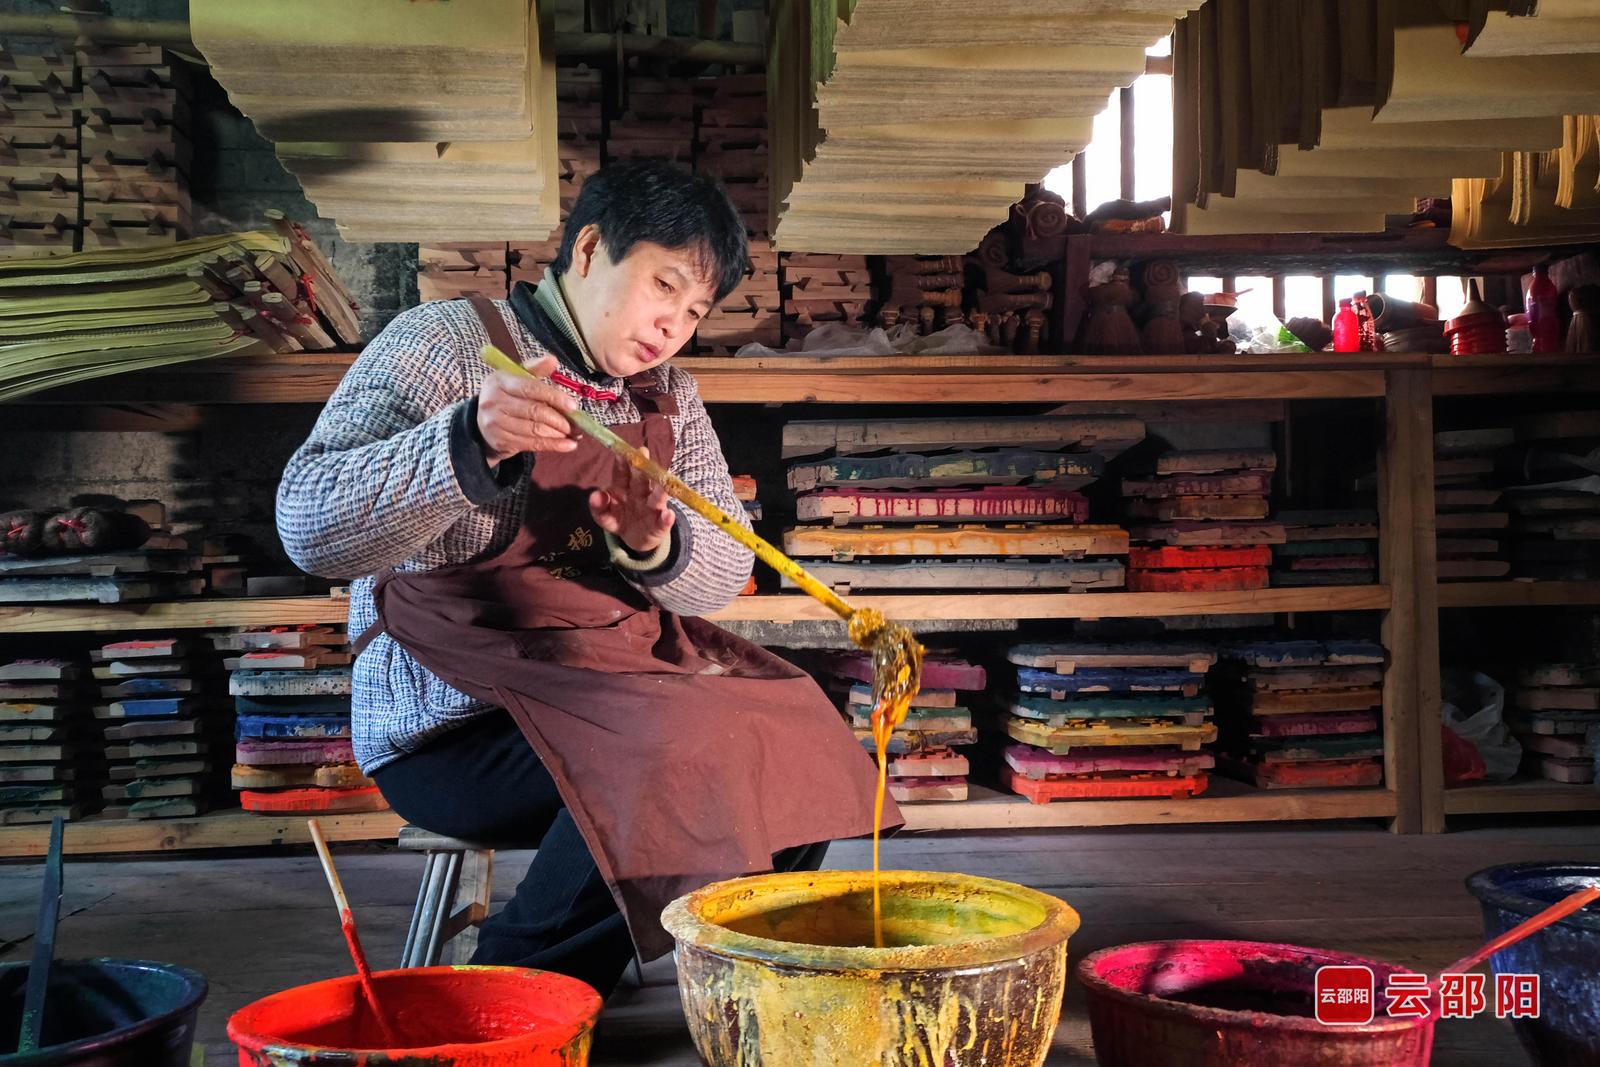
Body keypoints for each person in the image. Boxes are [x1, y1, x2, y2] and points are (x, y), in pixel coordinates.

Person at [277, 162, 897, 998]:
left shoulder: (669, 394)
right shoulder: (449, 343)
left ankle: (688, 958)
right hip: (458, 729)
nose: (671, 326)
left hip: (608, 686)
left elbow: (728, 566)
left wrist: (655, 547)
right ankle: (509, 991)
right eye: (662, 285)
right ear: (592, 246)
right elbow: (308, 523)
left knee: (801, 723)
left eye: (694, 310)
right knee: (672, 746)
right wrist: (466, 441)